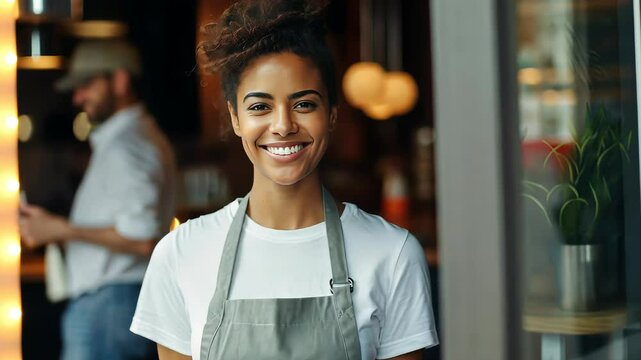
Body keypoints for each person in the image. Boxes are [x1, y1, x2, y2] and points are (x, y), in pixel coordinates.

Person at [130, 1, 438, 359]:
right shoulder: (180, 254)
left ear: (332, 114)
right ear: (235, 118)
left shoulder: (393, 254)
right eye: (260, 107)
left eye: (304, 104)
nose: (282, 125)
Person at [19, 39, 176, 360]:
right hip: (113, 303)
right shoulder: (130, 140)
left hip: (110, 305)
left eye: (86, 84)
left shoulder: (129, 146)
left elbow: (143, 239)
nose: (77, 97)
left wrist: (61, 229)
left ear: (119, 80)